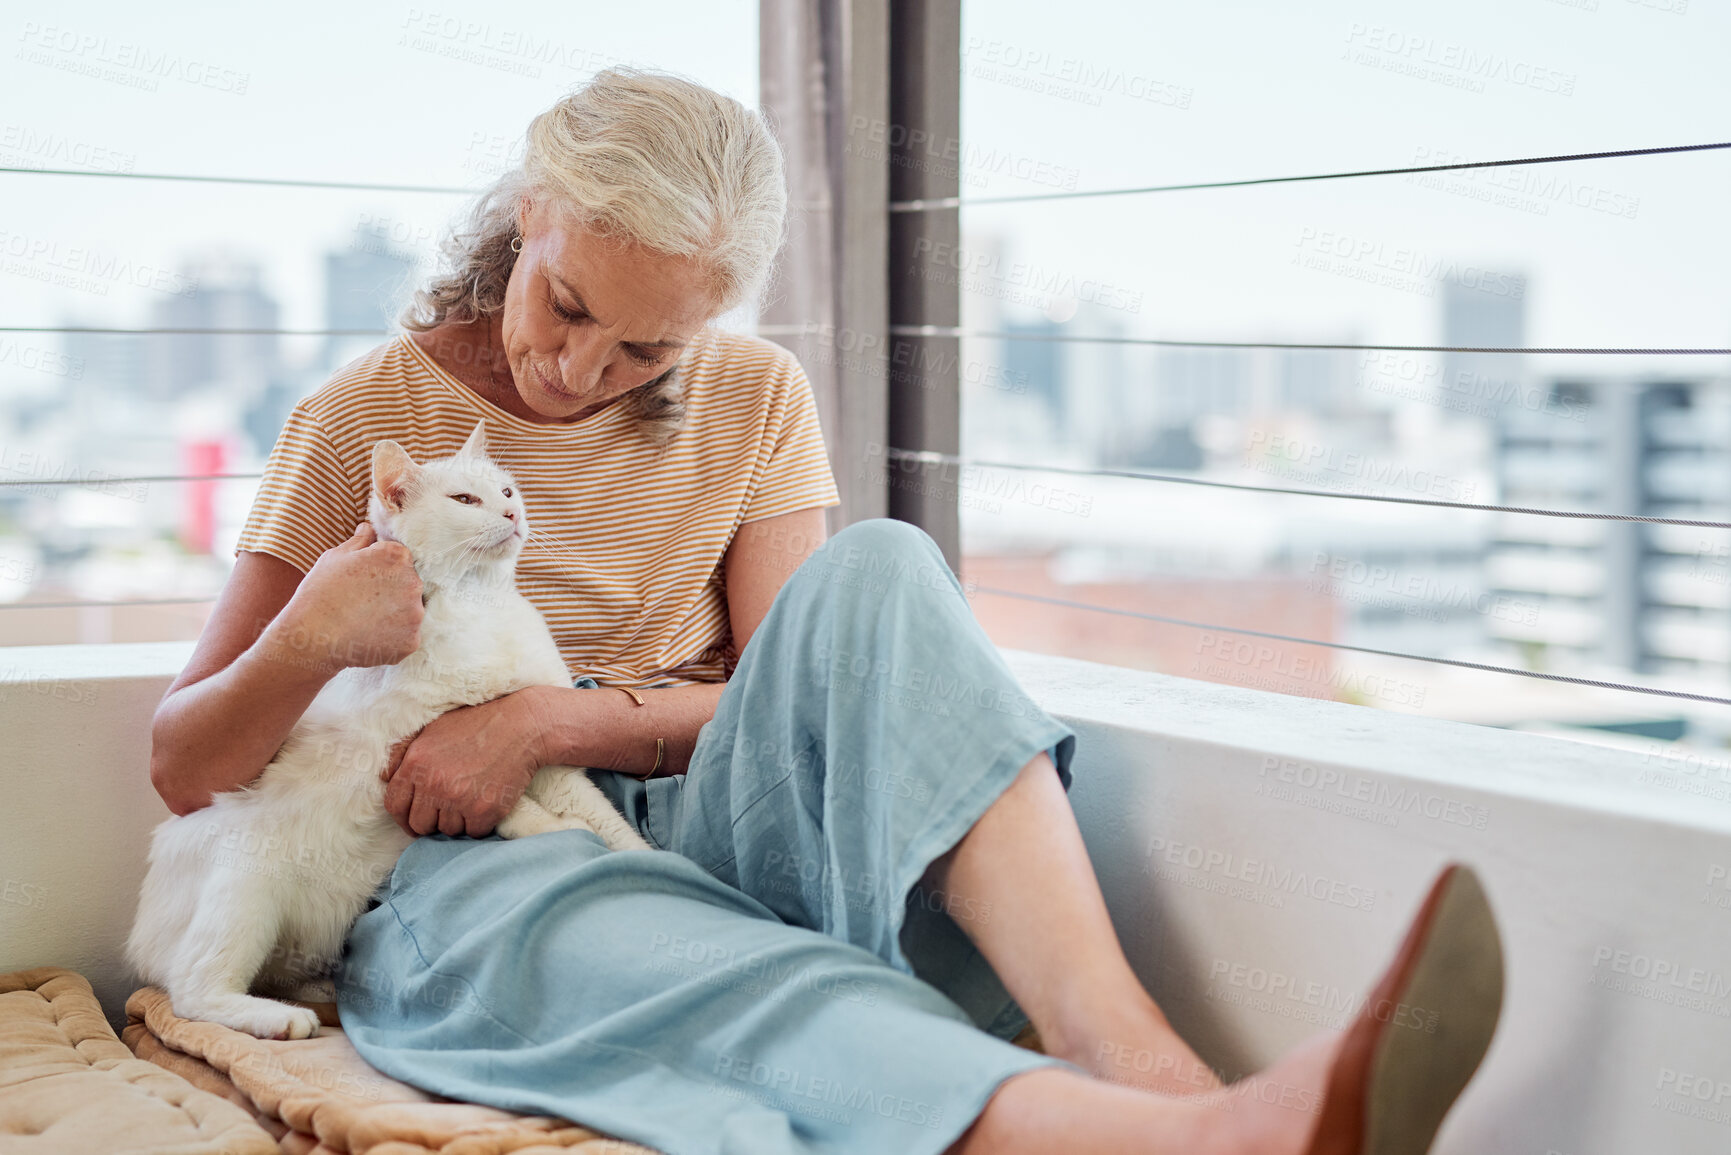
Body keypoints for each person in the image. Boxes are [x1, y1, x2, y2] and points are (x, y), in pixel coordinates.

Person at [147, 67, 1504, 1155]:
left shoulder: (755, 401)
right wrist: (314, 636)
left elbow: (787, 691)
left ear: (713, 322)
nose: (579, 368)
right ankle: (1184, 1146)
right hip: (466, 857)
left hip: (689, 801)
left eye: (646, 350)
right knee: (702, 962)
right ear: (532, 209)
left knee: (884, 568)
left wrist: (554, 720)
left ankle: (1132, 1055)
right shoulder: (364, 424)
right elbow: (185, 763)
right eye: (565, 306)